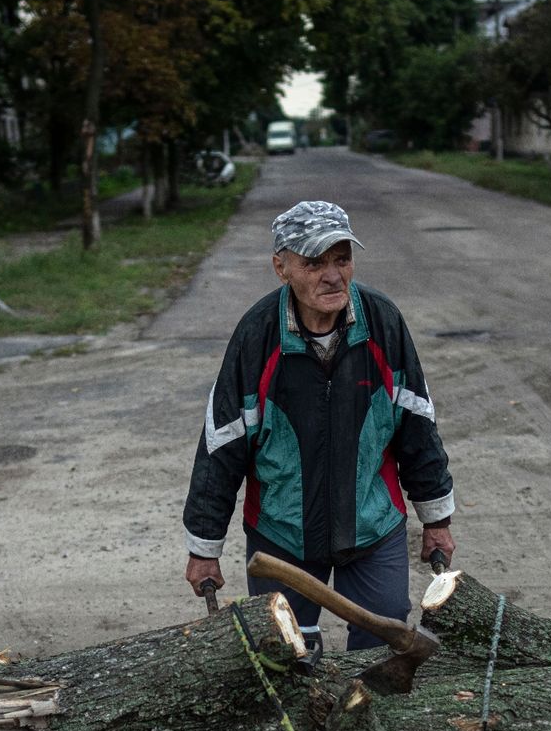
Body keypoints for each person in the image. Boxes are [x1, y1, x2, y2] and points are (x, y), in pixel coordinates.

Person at [183, 200, 456, 649]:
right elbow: (221, 445)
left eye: (342, 259)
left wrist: (436, 520)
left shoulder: (382, 322)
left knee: (383, 644)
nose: (332, 276)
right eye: (314, 263)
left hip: (372, 525)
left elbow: (417, 425)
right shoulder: (257, 334)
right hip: (282, 534)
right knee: (287, 651)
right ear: (281, 268)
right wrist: (204, 548)